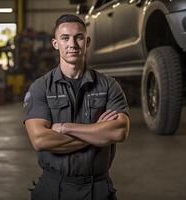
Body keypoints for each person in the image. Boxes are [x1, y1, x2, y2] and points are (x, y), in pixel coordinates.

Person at [23, 14, 130, 200]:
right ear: (56, 44)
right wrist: (98, 134)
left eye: (78, 37)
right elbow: (40, 139)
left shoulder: (108, 86)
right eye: (65, 38)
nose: (72, 44)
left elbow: (119, 131)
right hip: (53, 188)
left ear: (87, 41)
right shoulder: (40, 87)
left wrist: (65, 128)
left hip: (98, 188)